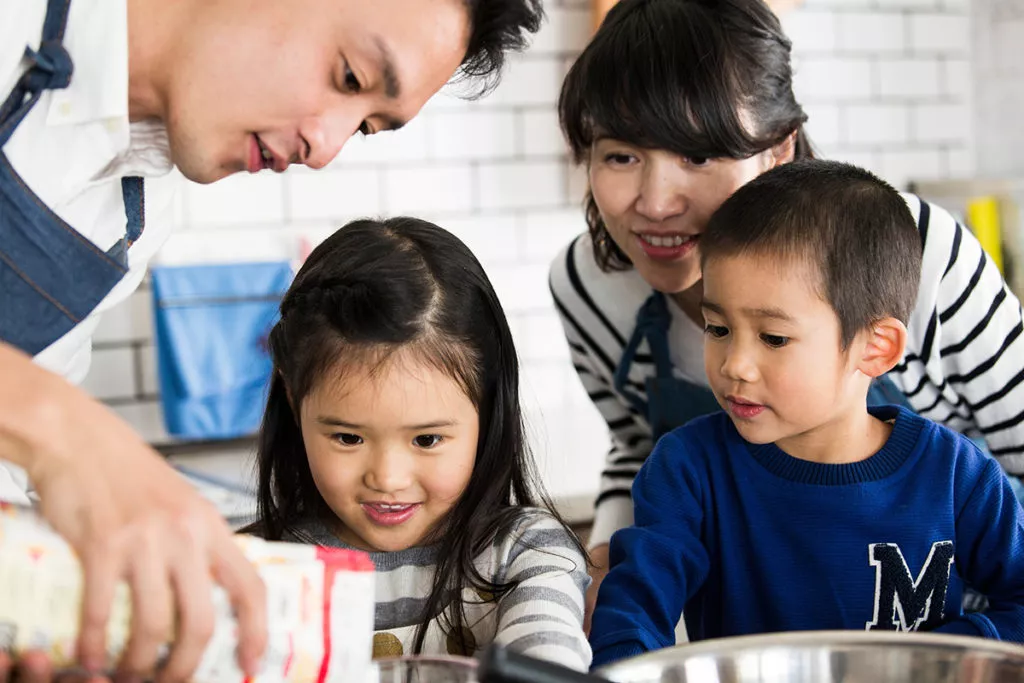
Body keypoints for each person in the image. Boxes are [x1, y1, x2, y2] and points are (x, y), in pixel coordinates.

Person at [0, 0, 543, 680]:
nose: (325, 148)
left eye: (366, 126)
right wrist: (68, 433)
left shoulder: (130, 215)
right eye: (348, 76)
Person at [549, 0, 1024, 629]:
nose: (656, 203)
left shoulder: (919, 252)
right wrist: (606, 566)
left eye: (698, 155)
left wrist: (974, 645)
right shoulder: (589, 285)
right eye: (619, 157)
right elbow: (639, 445)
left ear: (777, 150)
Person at [588, 160, 1024, 668]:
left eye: (774, 338)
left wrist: (942, 655)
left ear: (876, 348)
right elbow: (632, 618)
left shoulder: (957, 475)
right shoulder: (687, 470)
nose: (735, 365)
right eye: (717, 328)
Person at [244, 217, 592, 669]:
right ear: (294, 402)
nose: (387, 478)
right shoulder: (261, 572)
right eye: (348, 437)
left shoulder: (530, 555)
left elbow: (547, 664)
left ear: (486, 414)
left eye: (427, 439)